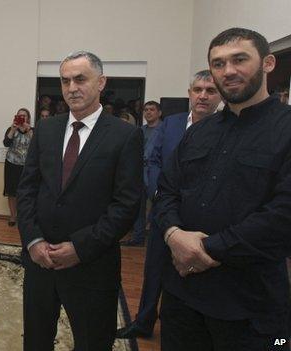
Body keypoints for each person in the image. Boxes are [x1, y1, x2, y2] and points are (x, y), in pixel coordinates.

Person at [156, 28, 291, 350]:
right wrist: (173, 234)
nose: (228, 71)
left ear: (268, 63)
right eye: (218, 63)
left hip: (249, 304)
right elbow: (166, 190)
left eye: (239, 59)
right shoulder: (199, 132)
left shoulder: (285, 130)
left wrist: (208, 250)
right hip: (182, 295)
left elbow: (283, 215)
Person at [17, 50, 143, 350]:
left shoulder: (125, 135)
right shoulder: (46, 128)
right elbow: (27, 190)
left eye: (80, 79)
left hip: (92, 266)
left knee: (92, 342)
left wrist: (80, 248)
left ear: (101, 82)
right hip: (41, 263)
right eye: (64, 81)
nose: (71, 87)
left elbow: (126, 205)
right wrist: (33, 241)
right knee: (36, 340)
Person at [116, 70, 222, 339]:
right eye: (198, 89)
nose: (203, 96)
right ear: (189, 93)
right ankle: (143, 322)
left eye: (210, 91)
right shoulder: (172, 124)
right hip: (164, 212)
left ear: (219, 95)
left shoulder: (226, 128)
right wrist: (157, 194)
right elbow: (153, 161)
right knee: (154, 270)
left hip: (200, 222)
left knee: (192, 277)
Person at [123, 100, 162, 246]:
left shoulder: (164, 129)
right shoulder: (140, 130)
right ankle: (138, 238)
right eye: (146, 110)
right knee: (138, 208)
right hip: (139, 173)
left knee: (157, 207)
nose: (148, 112)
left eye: (152, 109)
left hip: (156, 174)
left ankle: (155, 240)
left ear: (159, 113)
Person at [3, 108, 33, 226]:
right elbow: (6, 143)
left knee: (26, 193)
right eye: (19, 116)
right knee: (11, 192)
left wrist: (28, 129)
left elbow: (37, 143)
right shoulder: (11, 129)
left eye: (24, 116)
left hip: (27, 167)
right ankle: (13, 217)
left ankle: (24, 217)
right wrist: (13, 129)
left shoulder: (33, 130)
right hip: (11, 165)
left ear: (28, 118)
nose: (21, 118)